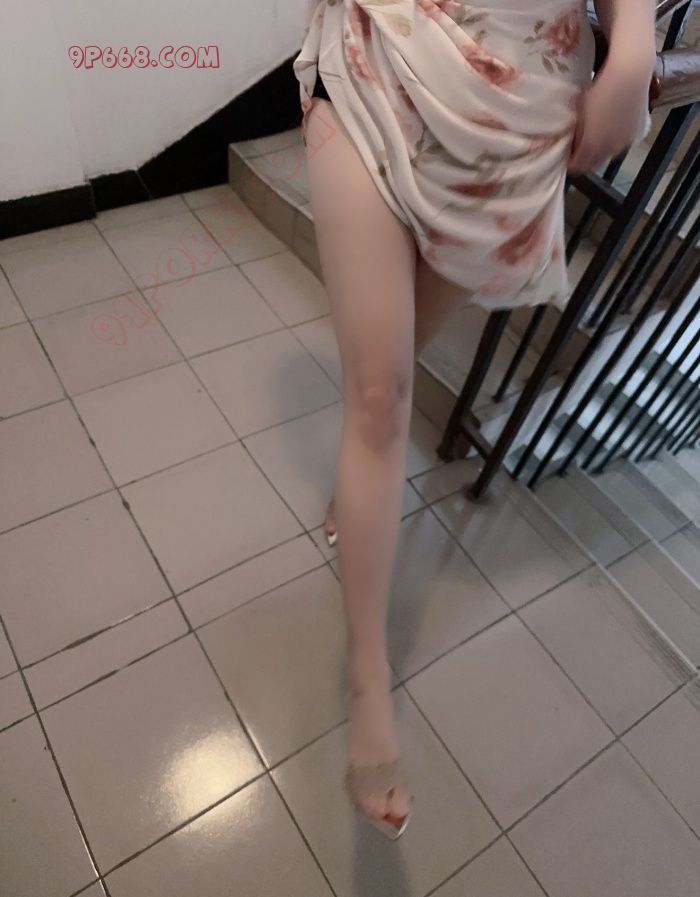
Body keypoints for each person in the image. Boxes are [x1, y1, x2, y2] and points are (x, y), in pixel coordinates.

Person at [292, 0, 656, 839]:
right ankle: (368, 676)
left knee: (398, 352)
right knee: (379, 392)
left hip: (521, 98)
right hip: (380, 43)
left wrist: (634, 43)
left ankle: (357, 486)